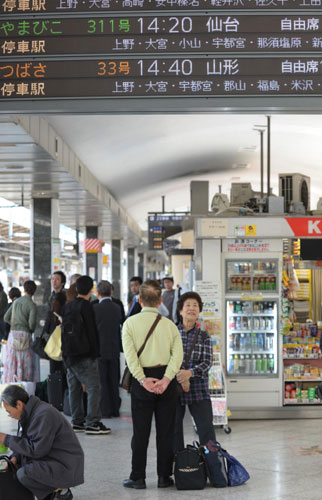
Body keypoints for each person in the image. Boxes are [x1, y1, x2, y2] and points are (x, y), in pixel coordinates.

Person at [122, 279, 183, 489]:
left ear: (139, 300)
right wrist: (167, 379)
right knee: (166, 432)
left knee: (140, 432)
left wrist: (141, 379)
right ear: (159, 302)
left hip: (143, 381)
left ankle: (138, 477)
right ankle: (164, 477)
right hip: (166, 381)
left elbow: (130, 358)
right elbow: (178, 356)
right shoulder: (170, 325)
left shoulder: (129, 324)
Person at [0, 384, 84, 500]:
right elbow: (27, 441)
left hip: (65, 464)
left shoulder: (43, 414)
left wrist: (6, 439)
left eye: (9, 412)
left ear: (19, 404)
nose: (11, 416)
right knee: (16, 467)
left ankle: (61, 491)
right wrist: (15, 457)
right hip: (53, 458)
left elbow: (37, 450)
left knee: (24, 473)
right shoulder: (30, 414)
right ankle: (52, 493)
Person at [62, 275, 110, 435]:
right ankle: (93, 422)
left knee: (74, 387)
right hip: (84, 354)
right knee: (94, 387)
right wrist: (95, 353)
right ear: (91, 289)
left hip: (69, 354)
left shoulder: (68, 306)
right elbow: (91, 331)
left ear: (76, 289)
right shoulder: (87, 306)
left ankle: (77, 421)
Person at [174, 291, 216, 451]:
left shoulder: (204, 336)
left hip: (198, 390)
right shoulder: (171, 332)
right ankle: (179, 467)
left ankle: (213, 468)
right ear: (180, 310)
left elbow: (207, 362)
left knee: (206, 431)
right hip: (175, 389)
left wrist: (189, 373)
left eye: (195, 305)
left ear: (199, 311)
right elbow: (166, 358)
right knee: (174, 431)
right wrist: (180, 376)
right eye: (188, 305)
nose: (191, 308)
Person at [93, 281, 122, 417]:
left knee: (102, 382)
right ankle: (115, 409)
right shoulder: (117, 308)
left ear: (98, 293)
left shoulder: (94, 309)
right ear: (111, 292)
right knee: (114, 380)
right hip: (114, 348)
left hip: (99, 350)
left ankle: (105, 410)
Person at [3, 280, 37, 383]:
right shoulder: (32, 305)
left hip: (13, 335)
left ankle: (11, 384)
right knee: (24, 365)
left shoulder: (16, 301)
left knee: (12, 363)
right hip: (25, 336)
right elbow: (31, 325)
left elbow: (6, 317)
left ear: (24, 289)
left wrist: (14, 323)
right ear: (34, 291)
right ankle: (24, 386)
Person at [43, 271, 67, 374]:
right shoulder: (51, 296)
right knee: (53, 362)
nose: (54, 281)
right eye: (52, 279)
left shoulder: (64, 297)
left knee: (59, 363)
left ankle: (60, 388)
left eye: (57, 279)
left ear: (62, 283)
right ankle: (55, 387)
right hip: (52, 333)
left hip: (60, 333)